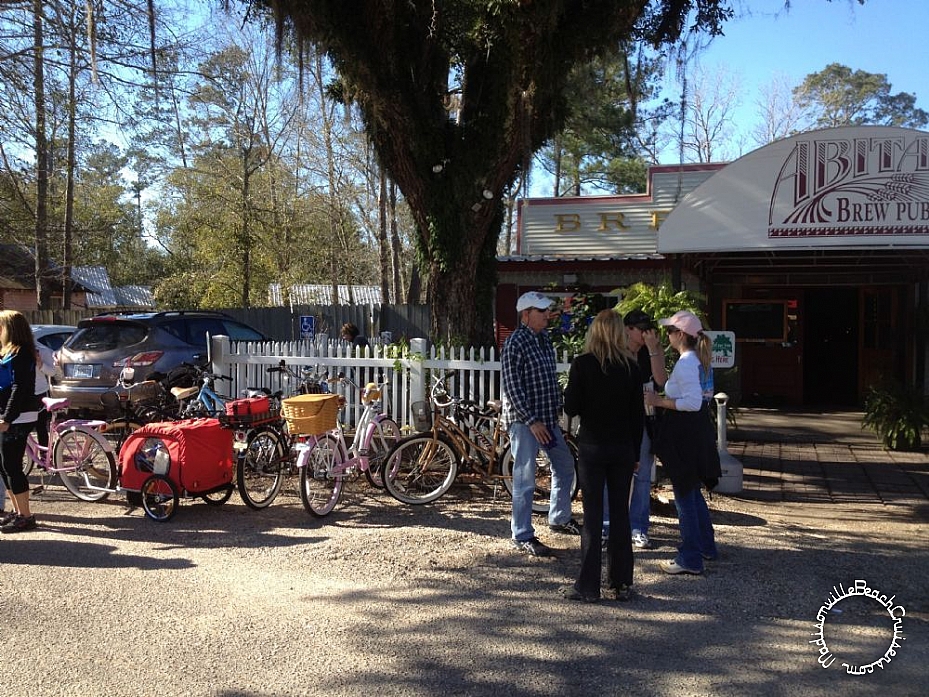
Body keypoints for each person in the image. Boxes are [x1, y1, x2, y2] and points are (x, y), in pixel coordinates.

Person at [561, 310, 644, 602]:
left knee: (592, 516)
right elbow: (638, 416)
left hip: (593, 447)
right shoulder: (631, 368)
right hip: (622, 447)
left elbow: (571, 407)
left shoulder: (582, 365)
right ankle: (621, 583)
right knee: (621, 513)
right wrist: (635, 451)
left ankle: (588, 586)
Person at [501, 291, 579, 557]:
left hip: (547, 420)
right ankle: (521, 534)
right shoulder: (514, 342)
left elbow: (547, 380)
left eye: (547, 311)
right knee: (525, 478)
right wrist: (532, 421)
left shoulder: (543, 339)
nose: (547, 315)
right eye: (541, 311)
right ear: (526, 315)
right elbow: (512, 387)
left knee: (565, 465)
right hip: (525, 424)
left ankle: (559, 517)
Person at [645, 310, 721, 574]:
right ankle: (706, 546)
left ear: (680, 335)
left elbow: (690, 402)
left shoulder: (688, 362)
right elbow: (666, 382)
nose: (667, 335)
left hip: (685, 437)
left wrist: (658, 402)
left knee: (685, 496)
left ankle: (690, 557)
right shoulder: (694, 360)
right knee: (692, 492)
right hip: (695, 434)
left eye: (669, 332)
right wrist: (654, 350)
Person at [622, 309, 668, 550]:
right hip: (622, 420)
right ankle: (611, 526)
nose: (646, 333)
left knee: (642, 477)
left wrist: (653, 349)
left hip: (645, 419)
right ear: (628, 329)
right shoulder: (619, 351)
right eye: (641, 329)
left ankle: (638, 527)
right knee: (618, 475)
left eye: (648, 329)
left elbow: (660, 380)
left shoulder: (652, 350)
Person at [0, 310, 40, 533]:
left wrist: (7, 417)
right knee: (4, 465)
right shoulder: (8, 351)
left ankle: (25, 516)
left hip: (19, 416)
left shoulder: (22, 352)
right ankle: (17, 512)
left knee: (12, 465)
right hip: (9, 415)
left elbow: (20, 388)